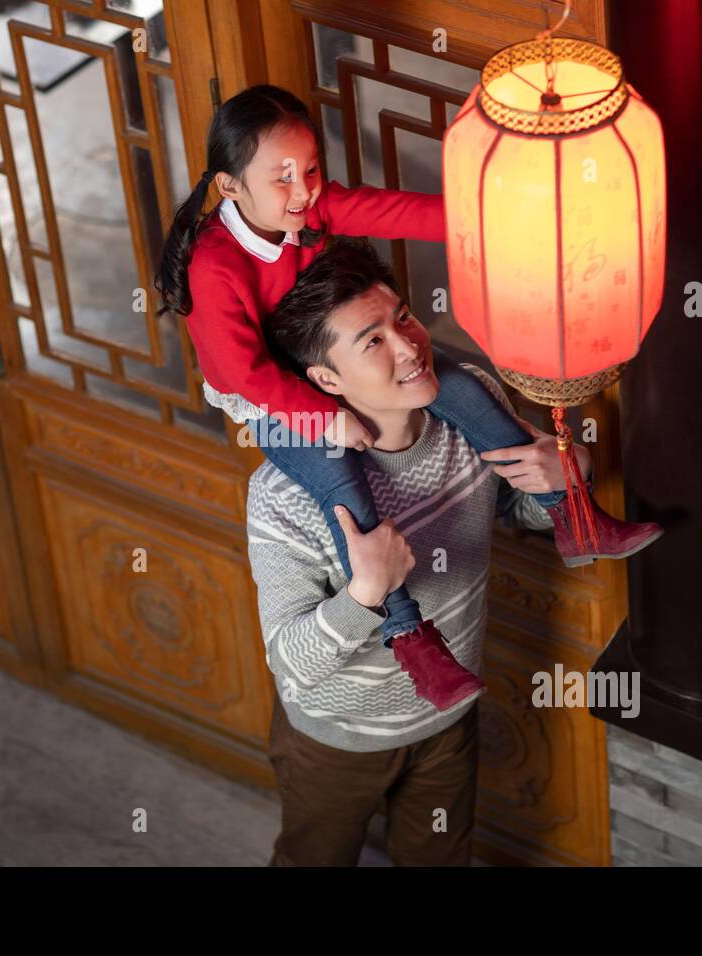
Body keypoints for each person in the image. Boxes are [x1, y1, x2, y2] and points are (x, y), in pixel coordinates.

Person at [155, 83, 661, 712]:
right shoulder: (215, 264)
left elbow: (393, 212)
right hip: (271, 397)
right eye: (281, 177)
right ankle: (406, 631)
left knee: (465, 393)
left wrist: (493, 223)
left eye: (310, 169)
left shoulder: (305, 210)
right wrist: (325, 420)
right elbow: (246, 372)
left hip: (323, 356)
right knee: (343, 488)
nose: (304, 189)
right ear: (231, 188)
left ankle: (571, 516)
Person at [250, 237, 595, 865]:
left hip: (448, 712)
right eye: (372, 341)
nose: (410, 345)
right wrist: (365, 595)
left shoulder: (468, 409)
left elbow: (513, 513)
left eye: (402, 317)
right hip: (337, 738)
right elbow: (290, 662)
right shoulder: (284, 493)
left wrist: (569, 474)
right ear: (326, 379)